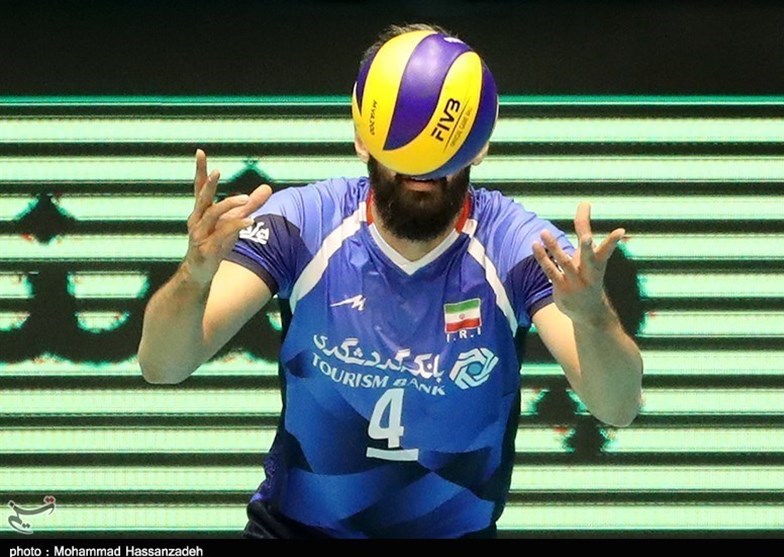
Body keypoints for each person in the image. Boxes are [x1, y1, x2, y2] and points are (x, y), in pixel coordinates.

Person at [138, 23, 643, 539]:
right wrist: (194, 276)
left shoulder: (516, 246)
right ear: (362, 138)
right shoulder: (304, 224)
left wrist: (593, 319)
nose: (422, 168)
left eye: (441, 147)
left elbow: (618, 407)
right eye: (404, 144)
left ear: (479, 145)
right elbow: (161, 365)